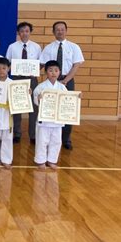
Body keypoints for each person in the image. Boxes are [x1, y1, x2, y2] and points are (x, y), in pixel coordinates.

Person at [40, 21, 84, 150]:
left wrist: (66, 80)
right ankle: (49, 139)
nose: (60, 31)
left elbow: (76, 65)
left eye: (62, 29)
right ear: (53, 32)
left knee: (67, 109)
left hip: (67, 80)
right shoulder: (48, 48)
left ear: (66, 30)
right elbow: (42, 65)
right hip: (51, 81)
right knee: (50, 109)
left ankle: (66, 139)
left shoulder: (74, 47)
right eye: (57, 29)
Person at [6, 22, 42, 144]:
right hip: (17, 79)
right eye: (22, 31)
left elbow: (40, 64)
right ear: (18, 33)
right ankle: (17, 133)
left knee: (34, 108)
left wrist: (35, 71)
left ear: (30, 32)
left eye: (26, 31)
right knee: (17, 107)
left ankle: (33, 135)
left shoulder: (37, 47)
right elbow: (8, 64)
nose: (24, 33)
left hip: (32, 80)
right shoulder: (12, 47)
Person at [33, 61, 67, 170]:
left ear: (59, 72)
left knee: (56, 141)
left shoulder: (62, 87)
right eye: (50, 70)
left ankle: (52, 160)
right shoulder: (40, 87)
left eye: (56, 70)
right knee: (42, 141)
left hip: (57, 120)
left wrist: (77, 98)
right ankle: (40, 161)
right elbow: (35, 101)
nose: (53, 73)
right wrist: (38, 99)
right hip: (44, 119)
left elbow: (67, 101)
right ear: (46, 72)